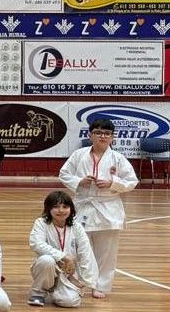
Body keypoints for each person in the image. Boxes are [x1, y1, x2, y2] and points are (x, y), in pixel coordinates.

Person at [58, 119, 136, 299]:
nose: (103, 136)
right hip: (83, 205)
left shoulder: (118, 158)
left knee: (106, 252)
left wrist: (112, 183)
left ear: (112, 138)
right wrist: (79, 181)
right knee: (78, 248)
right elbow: (64, 174)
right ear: (90, 135)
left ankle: (101, 285)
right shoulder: (78, 155)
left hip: (108, 208)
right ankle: (78, 282)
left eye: (107, 134)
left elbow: (131, 181)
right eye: (98, 133)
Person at [29, 190, 97, 308]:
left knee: (70, 302)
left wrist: (84, 280)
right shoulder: (41, 223)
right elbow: (36, 243)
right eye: (56, 207)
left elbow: (85, 252)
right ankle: (38, 292)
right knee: (47, 260)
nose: (61, 210)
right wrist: (63, 257)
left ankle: (56, 292)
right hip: (47, 268)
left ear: (71, 209)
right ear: (48, 209)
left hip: (68, 273)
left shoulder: (77, 227)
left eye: (65, 206)